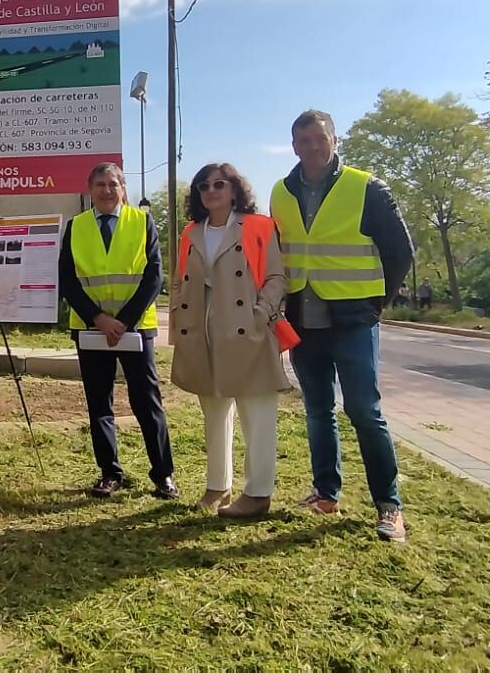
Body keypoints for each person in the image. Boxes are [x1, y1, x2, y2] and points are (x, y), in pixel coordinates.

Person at [271, 109, 414, 542]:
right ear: (294, 146)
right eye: (304, 141)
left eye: (320, 139)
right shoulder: (281, 191)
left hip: (353, 321)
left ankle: (389, 506)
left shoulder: (367, 188)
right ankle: (326, 493)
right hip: (304, 324)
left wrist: (376, 304)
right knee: (317, 411)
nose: (312, 147)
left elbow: (401, 252)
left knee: (364, 412)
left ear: (334, 141)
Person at [170, 162, 294, 518]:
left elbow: (275, 276)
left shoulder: (258, 226)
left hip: (246, 331)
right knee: (213, 412)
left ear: (235, 189)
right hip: (202, 332)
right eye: (203, 185)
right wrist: (179, 320)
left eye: (219, 184)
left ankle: (258, 493)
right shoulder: (191, 232)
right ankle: (217, 485)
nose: (211, 191)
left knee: (257, 413)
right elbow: (179, 279)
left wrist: (259, 315)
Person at [58, 163, 177, 500]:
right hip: (90, 329)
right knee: (99, 404)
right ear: (90, 189)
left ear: (123, 188)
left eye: (113, 184)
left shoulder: (142, 221)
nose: (106, 190)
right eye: (100, 185)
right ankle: (110, 473)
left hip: (136, 329)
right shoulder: (77, 226)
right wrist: (99, 318)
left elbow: (154, 276)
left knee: (147, 402)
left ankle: (163, 475)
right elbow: (67, 279)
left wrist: (123, 319)